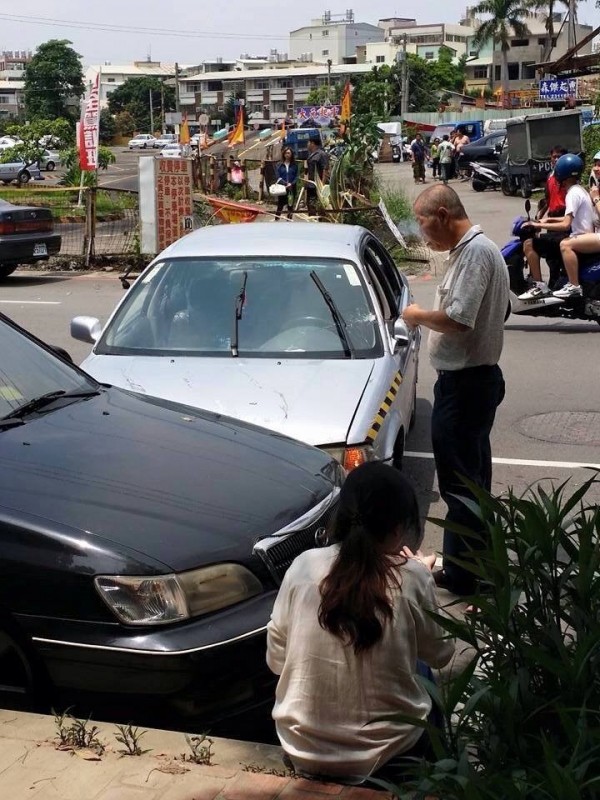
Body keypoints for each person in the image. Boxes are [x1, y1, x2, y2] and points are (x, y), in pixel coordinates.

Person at [267, 462, 454, 785]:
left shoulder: (303, 567)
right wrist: (421, 573)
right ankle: (439, 778)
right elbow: (442, 653)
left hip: (303, 747)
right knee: (423, 671)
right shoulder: (410, 578)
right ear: (397, 530)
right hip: (390, 754)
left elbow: (276, 661)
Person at [402, 185, 508, 597]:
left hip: (466, 386)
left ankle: (466, 577)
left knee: (460, 485)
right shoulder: (472, 252)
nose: (422, 232)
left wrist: (416, 316)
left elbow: (459, 319)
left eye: (424, 221)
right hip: (472, 382)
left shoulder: (476, 254)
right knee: (472, 481)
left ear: (443, 214)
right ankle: (475, 566)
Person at [521, 154, 595, 299]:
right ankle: (559, 280)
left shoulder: (572, 193)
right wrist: (548, 220)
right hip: (582, 235)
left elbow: (566, 224)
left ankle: (540, 286)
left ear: (561, 173)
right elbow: (570, 218)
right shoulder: (579, 190)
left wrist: (535, 224)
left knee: (529, 244)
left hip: (578, 237)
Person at [519, 146, 568, 299]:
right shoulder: (551, 177)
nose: (556, 159)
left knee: (554, 253)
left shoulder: (566, 178)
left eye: (559, 156)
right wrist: (538, 218)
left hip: (563, 219)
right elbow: (547, 200)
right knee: (552, 259)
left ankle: (545, 286)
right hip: (552, 219)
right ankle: (554, 284)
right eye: (554, 157)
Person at [305, 135, 329, 217]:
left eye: (308, 142)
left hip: (318, 185)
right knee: (311, 204)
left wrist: (321, 185)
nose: (307, 145)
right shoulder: (311, 154)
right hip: (311, 184)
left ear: (312, 143)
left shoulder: (321, 154)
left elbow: (325, 170)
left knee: (319, 205)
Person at [274, 146, 298, 221]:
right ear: (283, 154)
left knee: (290, 206)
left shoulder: (294, 165)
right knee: (280, 205)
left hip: (291, 189)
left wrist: (291, 184)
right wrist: (285, 184)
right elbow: (277, 177)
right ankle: (276, 220)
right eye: (286, 153)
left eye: (289, 153)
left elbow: (297, 177)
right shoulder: (279, 165)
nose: (287, 154)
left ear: (291, 154)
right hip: (282, 189)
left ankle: (289, 221)